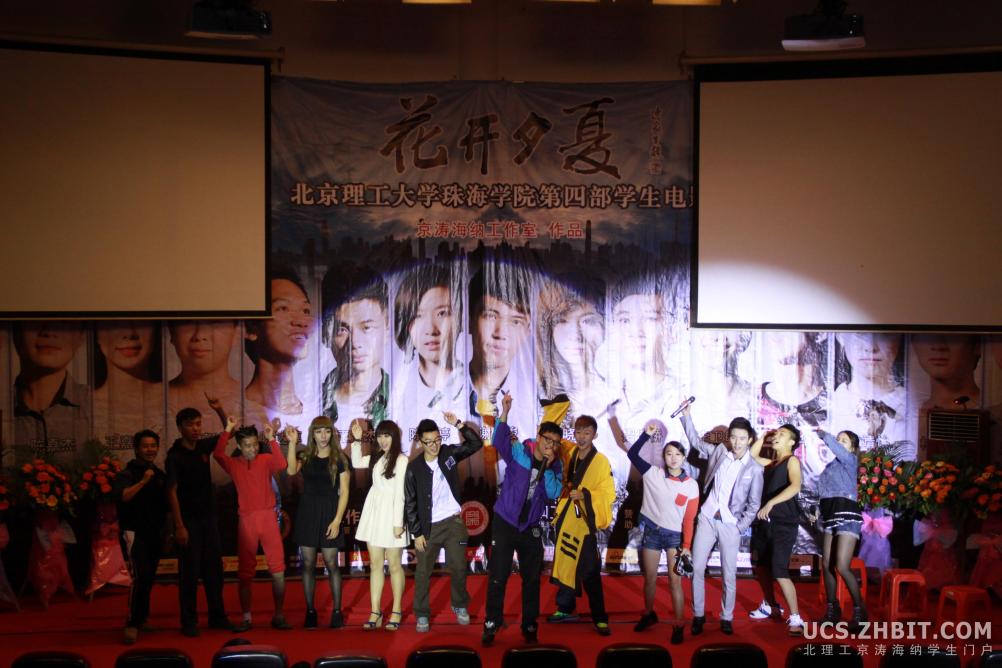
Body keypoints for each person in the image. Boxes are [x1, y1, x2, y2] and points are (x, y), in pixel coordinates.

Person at [482, 393, 563, 646]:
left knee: (531, 579)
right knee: (498, 575)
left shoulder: (556, 465)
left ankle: (529, 624)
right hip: (505, 521)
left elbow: (554, 493)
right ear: (539, 436)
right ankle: (492, 622)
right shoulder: (520, 451)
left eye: (555, 443)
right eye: (547, 440)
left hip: (530, 526)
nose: (550, 445)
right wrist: (505, 411)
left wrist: (547, 467)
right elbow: (499, 440)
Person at [679, 402, 763, 636]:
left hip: (730, 524)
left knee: (728, 574)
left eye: (742, 438)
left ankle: (727, 617)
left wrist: (739, 527)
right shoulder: (719, 452)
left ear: (750, 439)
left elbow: (754, 504)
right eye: (733, 437)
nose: (737, 442)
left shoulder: (754, 469)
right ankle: (698, 615)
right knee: (697, 568)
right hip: (707, 517)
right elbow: (696, 443)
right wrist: (686, 416)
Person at [404, 411, 483, 633]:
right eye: (428, 442)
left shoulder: (448, 454)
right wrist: (417, 533)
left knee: (459, 567)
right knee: (423, 572)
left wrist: (458, 424)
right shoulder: (414, 468)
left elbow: (475, 444)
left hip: (454, 523)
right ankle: (422, 614)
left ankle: (459, 605)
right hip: (428, 528)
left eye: (437, 440)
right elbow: (410, 503)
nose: (434, 446)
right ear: (420, 442)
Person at [212, 418, 292, 632]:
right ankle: (247, 617)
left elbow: (282, 465)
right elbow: (217, 454)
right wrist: (227, 429)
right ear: (239, 446)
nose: (252, 449)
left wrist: (272, 439)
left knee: (278, 570)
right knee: (245, 573)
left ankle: (279, 615)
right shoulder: (233, 464)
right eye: (247, 445)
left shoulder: (265, 459)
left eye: (255, 444)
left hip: (268, 519)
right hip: (247, 521)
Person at [165, 403, 236, 637]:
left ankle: (217, 616)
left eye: (198, 424)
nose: (196, 429)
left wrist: (219, 409)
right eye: (190, 425)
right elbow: (171, 492)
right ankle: (189, 621)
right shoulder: (174, 456)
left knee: (214, 571)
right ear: (180, 428)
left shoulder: (204, 446)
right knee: (190, 573)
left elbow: (229, 432)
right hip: (188, 521)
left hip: (209, 518)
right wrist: (179, 526)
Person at [626, 422, 699, 645]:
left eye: (677, 454)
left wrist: (686, 546)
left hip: (674, 537)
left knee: (675, 583)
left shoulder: (691, 485)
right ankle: (649, 614)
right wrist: (645, 435)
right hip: (652, 533)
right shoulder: (653, 473)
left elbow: (689, 519)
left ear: (684, 458)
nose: (673, 458)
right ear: (663, 457)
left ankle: (678, 624)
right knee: (649, 578)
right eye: (669, 453)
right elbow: (632, 454)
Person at [547, 414, 616, 636]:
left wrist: (585, 494)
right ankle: (565, 607)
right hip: (567, 516)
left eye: (587, 433)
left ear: (595, 435)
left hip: (584, 520)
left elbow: (608, 493)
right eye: (578, 432)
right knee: (566, 560)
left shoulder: (601, 461)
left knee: (590, 569)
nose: (582, 437)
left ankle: (600, 617)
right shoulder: (571, 454)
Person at [286, 416, 350, 628]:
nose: (323, 436)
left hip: (330, 512)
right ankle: (310, 611)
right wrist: (292, 443)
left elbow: (345, 491)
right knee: (307, 564)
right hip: (308, 512)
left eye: (327, 431)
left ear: (332, 434)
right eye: (319, 431)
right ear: (312, 433)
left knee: (332, 563)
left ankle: (337, 611)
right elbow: (290, 471)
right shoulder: (305, 456)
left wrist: (337, 520)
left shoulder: (340, 458)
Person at [391, 263, 466, 445]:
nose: (431, 329)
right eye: (418, 316)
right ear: (406, 324)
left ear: (459, 318)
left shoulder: (473, 387)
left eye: (442, 313)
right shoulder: (398, 391)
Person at [349, 419, 409, 631]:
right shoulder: (376, 457)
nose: (383, 440)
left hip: (392, 514)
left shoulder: (401, 460)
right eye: (380, 436)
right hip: (374, 513)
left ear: (395, 437)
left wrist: (398, 523)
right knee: (375, 564)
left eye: (387, 436)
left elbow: (401, 494)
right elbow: (356, 462)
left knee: (394, 565)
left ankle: (396, 610)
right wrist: (357, 440)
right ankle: (375, 612)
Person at [747, 425, 805, 635]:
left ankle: (796, 617)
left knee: (779, 570)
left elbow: (795, 486)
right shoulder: (771, 463)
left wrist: (771, 503)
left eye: (782, 434)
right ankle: (771, 606)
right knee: (762, 567)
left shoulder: (792, 461)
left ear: (792, 442)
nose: (777, 436)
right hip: (765, 523)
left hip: (783, 523)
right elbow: (750, 459)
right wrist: (764, 437)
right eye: (776, 433)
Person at [244, 268, 315, 436]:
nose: (301, 321)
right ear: (251, 328)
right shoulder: (237, 412)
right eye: (283, 308)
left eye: (305, 310)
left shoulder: (315, 409)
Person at [468, 263, 536, 437]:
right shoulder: (445, 392)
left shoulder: (534, 400)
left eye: (515, 321)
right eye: (491, 316)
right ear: (469, 320)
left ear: (527, 330)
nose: (500, 334)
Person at [321, 264, 390, 434]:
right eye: (342, 329)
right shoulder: (313, 400)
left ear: (387, 327)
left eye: (367, 328)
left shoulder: (403, 397)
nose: (355, 343)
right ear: (327, 333)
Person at [115, 429, 169, 645]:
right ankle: (132, 623)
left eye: (153, 446)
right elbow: (123, 497)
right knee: (141, 576)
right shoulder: (127, 474)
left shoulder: (159, 474)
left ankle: (142, 618)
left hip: (154, 533)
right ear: (137, 449)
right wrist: (143, 482)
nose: (150, 450)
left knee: (149, 577)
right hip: (133, 532)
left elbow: (166, 506)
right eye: (145, 446)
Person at [12, 321, 90, 466]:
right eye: (36, 319)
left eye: (63, 323)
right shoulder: (4, 405)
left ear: (81, 337)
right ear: (16, 332)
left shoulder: (99, 406)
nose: (49, 332)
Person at [815, 427, 866, 629]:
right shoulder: (829, 467)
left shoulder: (850, 460)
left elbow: (838, 450)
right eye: (838, 439)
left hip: (846, 514)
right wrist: (816, 510)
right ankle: (832, 610)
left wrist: (825, 436)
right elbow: (823, 493)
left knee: (842, 566)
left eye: (843, 440)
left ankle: (860, 611)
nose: (838, 442)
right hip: (830, 515)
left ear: (852, 448)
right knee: (826, 564)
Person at [93, 321, 163, 454]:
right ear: (97, 336)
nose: (130, 334)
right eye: (116, 324)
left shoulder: (175, 398)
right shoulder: (83, 406)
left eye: (140, 323)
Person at [831, 333, 907, 449]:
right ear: (840, 336)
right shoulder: (829, 406)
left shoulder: (912, 406)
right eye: (860, 333)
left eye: (883, 334)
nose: (871, 347)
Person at [167, 321, 242, 420]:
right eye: (188, 322)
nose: (199, 335)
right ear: (172, 332)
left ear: (236, 333)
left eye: (213, 323)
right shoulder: (155, 401)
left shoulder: (251, 404)